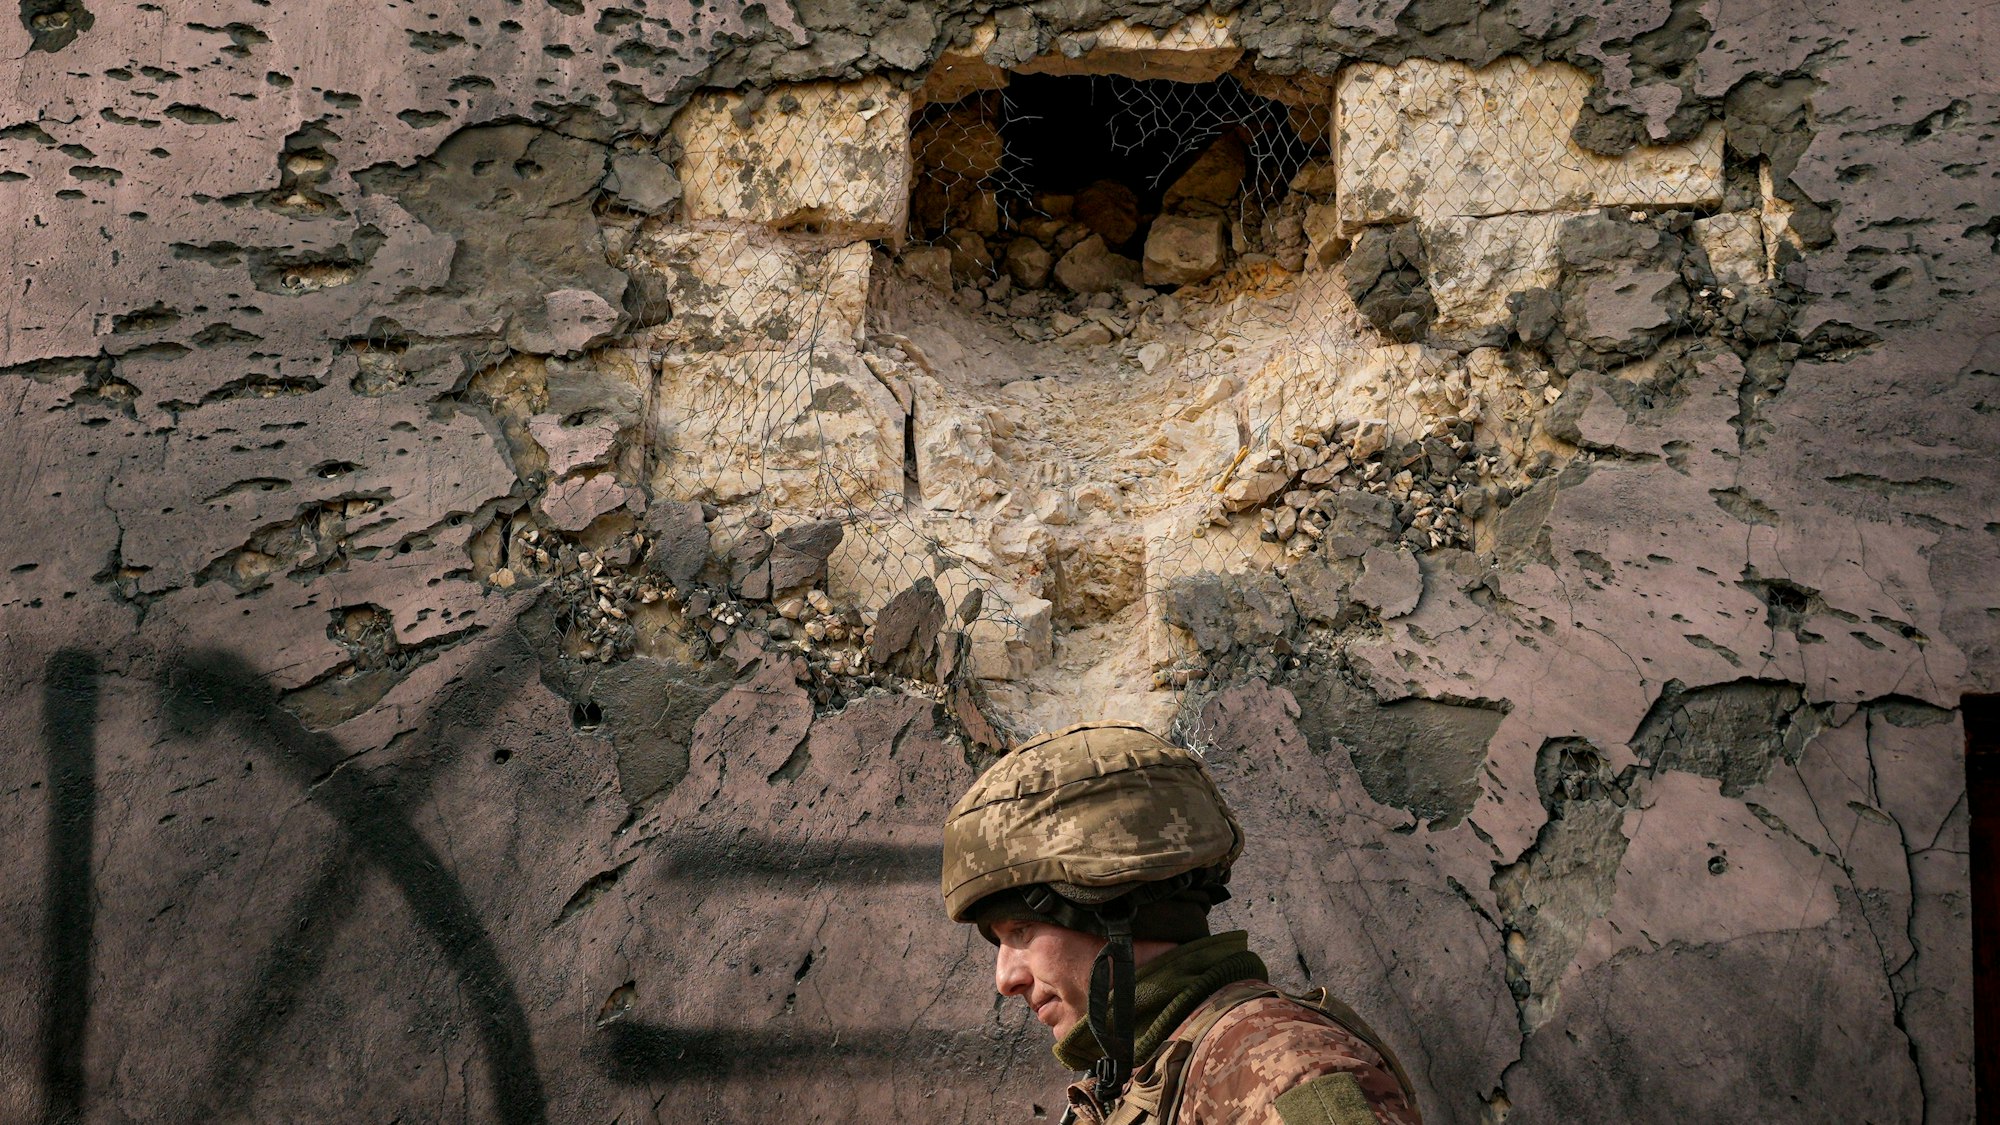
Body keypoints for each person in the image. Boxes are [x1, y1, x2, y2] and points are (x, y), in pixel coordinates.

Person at [940, 721, 1421, 1125]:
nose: (1005, 979)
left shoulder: (1278, 1067)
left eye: (1020, 933)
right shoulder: (1139, 1075)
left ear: (1114, 908)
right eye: (999, 942)